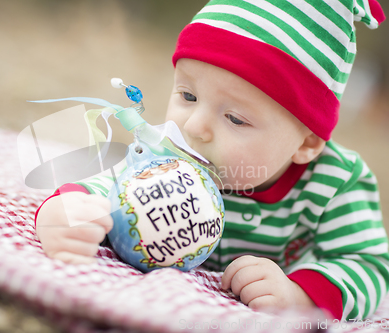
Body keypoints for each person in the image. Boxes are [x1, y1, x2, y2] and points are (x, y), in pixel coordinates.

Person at [35, 0, 389, 320]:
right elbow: (112, 188)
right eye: (188, 95)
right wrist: (67, 209)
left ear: (307, 143)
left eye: (235, 118)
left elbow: (370, 266)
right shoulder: (170, 153)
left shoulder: (335, 182)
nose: (195, 126)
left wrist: (300, 293)